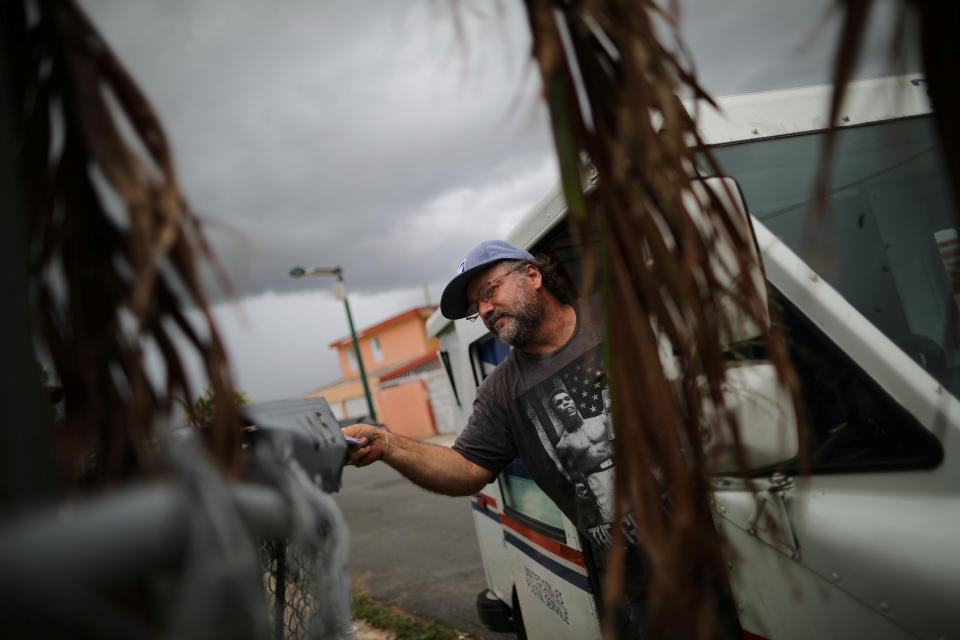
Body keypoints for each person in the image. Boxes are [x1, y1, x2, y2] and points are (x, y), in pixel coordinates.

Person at [343, 239, 645, 633]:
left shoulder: (621, 313)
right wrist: (388, 444)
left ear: (532, 276)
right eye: (476, 307)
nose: (484, 311)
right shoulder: (501, 391)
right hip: (645, 583)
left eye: (489, 292)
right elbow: (466, 467)